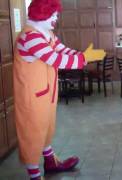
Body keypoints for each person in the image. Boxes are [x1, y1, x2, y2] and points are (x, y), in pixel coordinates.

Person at [13, 0, 106, 179]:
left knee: (46, 128)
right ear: (41, 12)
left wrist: (82, 55)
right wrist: (83, 59)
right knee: (32, 133)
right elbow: (55, 59)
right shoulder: (30, 37)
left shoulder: (46, 34)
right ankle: (34, 175)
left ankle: (51, 162)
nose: (56, 17)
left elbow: (63, 50)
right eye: (53, 13)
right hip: (31, 97)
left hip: (46, 93)